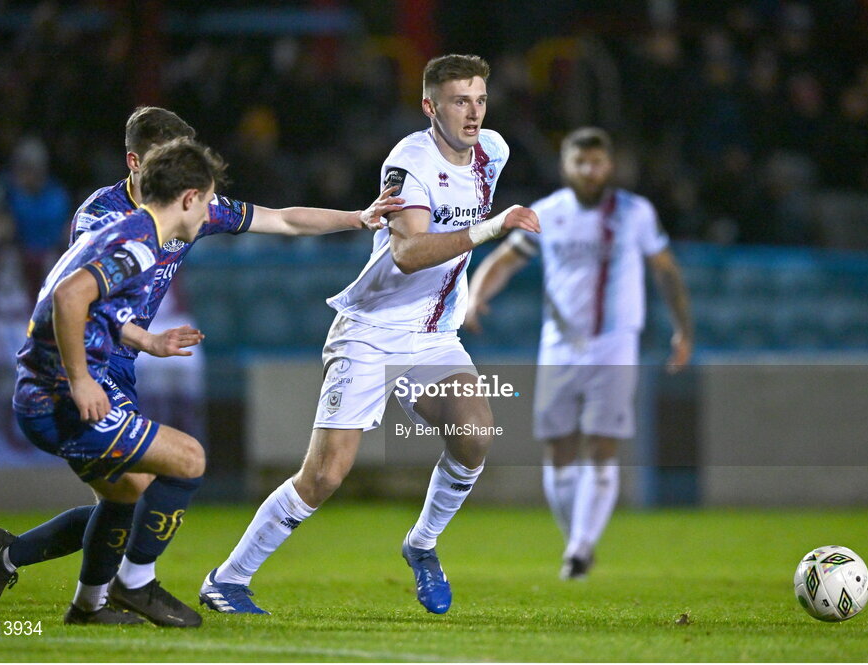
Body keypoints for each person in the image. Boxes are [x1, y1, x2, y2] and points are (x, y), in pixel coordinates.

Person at [0, 106, 403, 615]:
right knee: (147, 484)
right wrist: (103, 364)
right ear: (135, 161)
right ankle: (118, 589)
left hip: (116, 363)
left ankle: (42, 572)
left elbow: (282, 219)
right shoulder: (111, 221)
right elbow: (80, 299)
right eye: (166, 158)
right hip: (89, 363)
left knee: (125, 497)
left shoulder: (187, 204)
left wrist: (358, 217)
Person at [197, 54, 540, 616]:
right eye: (459, 100)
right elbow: (406, 253)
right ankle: (227, 579)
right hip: (372, 331)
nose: (473, 112)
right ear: (430, 106)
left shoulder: (493, 152)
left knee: (476, 431)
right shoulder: (408, 163)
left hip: (432, 333)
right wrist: (490, 228)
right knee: (326, 474)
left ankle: (422, 545)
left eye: (480, 99)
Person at [9, 137, 225, 626]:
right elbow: (69, 297)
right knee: (189, 458)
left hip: (40, 394)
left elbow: (88, 305)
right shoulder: (139, 244)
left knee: (128, 489)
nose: (209, 211)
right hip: (57, 399)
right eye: (208, 200)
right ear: (189, 198)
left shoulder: (125, 230)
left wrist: (146, 342)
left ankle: (87, 607)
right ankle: (135, 583)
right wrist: (81, 380)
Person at [464, 127, 693, 580]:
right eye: (581, 162)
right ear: (566, 166)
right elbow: (506, 258)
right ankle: (577, 544)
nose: (590, 171)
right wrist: (475, 294)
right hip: (560, 345)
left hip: (615, 343)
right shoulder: (548, 213)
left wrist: (683, 329)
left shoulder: (635, 212)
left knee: (602, 444)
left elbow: (666, 270)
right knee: (559, 449)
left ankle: (580, 548)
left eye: (598, 162)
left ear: (611, 165)